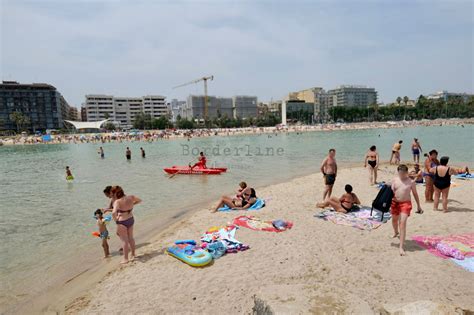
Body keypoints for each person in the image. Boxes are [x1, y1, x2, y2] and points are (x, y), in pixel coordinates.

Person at [391, 164, 423, 256]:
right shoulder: (395, 180)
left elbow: (415, 194)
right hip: (394, 203)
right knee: (394, 220)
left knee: (402, 223)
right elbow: (391, 191)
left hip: (406, 204)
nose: (401, 175)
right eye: (400, 173)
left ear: (406, 173)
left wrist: (418, 206)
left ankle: (401, 247)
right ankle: (395, 232)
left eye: (403, 174)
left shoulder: (411, 182)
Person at [111, 186, 142, 264]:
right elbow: (139, 200)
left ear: (115, 194)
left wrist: (116, 221)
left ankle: (125, 258)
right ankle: (133, 254)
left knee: (124, 241)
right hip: (130, 219)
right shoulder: (130, 197)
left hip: (122, 221)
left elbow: (114, 212)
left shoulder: (117, 201)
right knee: (131, 238)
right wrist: (131, 206)